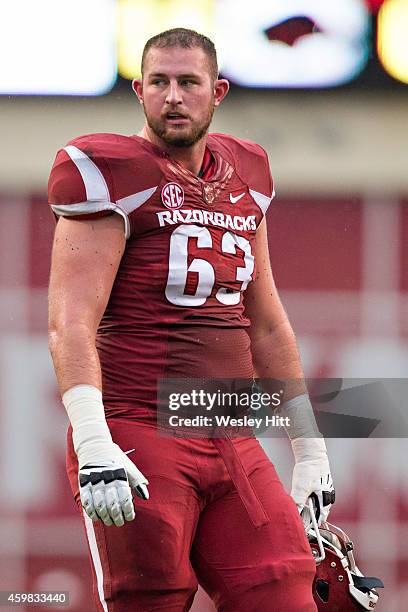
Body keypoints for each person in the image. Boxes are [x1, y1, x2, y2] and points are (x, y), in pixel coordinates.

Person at [47, 28, 334, 612]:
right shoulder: (107, 169)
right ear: (140, 90)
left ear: (217, 91)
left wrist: (311, 448)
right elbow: (70, 322)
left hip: (228, 424)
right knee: (152, 597)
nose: (173, 96)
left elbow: (266, 322)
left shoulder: (248, 172)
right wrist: (95, 438)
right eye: (159, 82)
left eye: (187, 82)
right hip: (138, 424)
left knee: (282, 586)